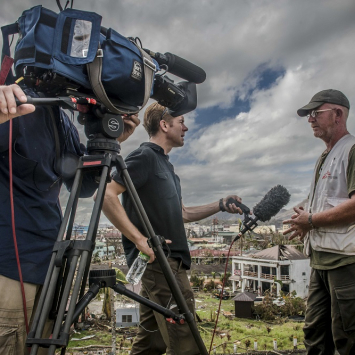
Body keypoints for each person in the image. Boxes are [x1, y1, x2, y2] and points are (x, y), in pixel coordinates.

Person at [0, 83, 140, 355]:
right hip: (10, 264)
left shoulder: (60, 117)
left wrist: (111, 140)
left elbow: (84, 185)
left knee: (42, 344)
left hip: (49, 258)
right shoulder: (16, 101)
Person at [102, 102, 244, 355]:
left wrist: (221, 204)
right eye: (181, 122)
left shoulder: (168, 168)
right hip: (161, 262)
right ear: (164, 125)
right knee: (185, 340)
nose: (186, 127)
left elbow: (183, 214)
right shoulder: (144, 156)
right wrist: (139, 240)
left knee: (151, 342)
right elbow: (105, 194)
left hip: (167, 263)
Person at [283, 89, 355, 355]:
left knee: (347, 338)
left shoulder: (351, 150)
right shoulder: (325, 157)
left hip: (346, 262)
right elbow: (331, 199)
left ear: (337, 114)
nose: (310, 119)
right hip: (320, 261)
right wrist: (305, 213)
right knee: (315, 335)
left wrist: (311, 220)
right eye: (308, 115)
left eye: (316, 113)